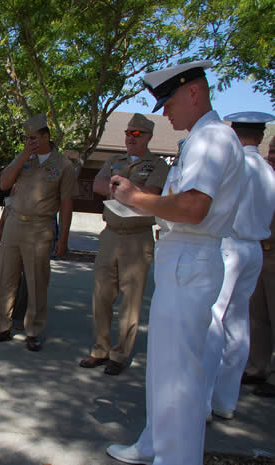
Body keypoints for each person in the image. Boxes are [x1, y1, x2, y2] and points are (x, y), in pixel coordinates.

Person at [105, 60, 245, 465]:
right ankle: (154, 444)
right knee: (165, 369)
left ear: (194, 93)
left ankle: (177, 458)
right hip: (181, 255)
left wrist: (136, 199)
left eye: (168, 101)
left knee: (180, 375)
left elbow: (193, 206)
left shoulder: (211, 139)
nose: (164, 112)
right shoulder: (200, 139)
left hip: (190, 256)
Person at [80, 113, 169, 376]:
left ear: (148, 137)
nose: (130, 138)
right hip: (111, 234)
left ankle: (119, 353)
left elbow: (151, 194)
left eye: (137, 134)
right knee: (102, 295)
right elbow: (97, 185)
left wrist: (126, 190)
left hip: (137, 237)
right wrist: (129, 191)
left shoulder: (158, 165)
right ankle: (100, 349)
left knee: (131, 299)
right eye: (128, 133)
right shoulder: (113, 160)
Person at [0, 114, 77, 351]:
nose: (30, 142)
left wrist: (63, 237)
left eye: (34, 138)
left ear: (46, 136)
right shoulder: (23, 158)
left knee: (37, 282)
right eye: (27, 138)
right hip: (14, 223)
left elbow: (66, 204)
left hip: (40, 227)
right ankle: (2, 326)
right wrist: (24, 155)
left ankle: (33, 331)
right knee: (6, 278)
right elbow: (4, 185)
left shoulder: (63, 165)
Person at [202, 112, 275, 419]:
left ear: (234, 132)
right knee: (238, 324)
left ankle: (203, 401)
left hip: (229, 245)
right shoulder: (268, 171)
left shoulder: (236, 165)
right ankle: (225, 401)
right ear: (259, 136)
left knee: (213, 320)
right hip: (255, 248)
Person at [243, 135, 275, 398]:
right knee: (257, 317)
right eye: (272, 151)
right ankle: (257, 367)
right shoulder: (264, 175)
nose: (273, 156)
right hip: (261, 255)